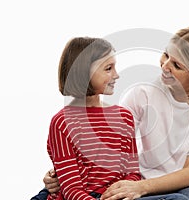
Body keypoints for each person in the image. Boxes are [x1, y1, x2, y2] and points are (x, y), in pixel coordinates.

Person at [37, 24, 189, 200]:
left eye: (177, 65)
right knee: (52, 192)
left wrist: (141, 187)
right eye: (166, 55)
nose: (165, 65)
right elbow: (107, 146)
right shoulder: (143, 92)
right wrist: (61, 172)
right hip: (137, 179)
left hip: (186, 184)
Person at [35, 37, 142, 200]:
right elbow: (71, 189)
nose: (117, 75)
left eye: (115, 67)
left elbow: (133, 174)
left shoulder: (124, 117)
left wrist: (122, 194)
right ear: (83, 73)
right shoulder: (62, 122)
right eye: (108, 68)